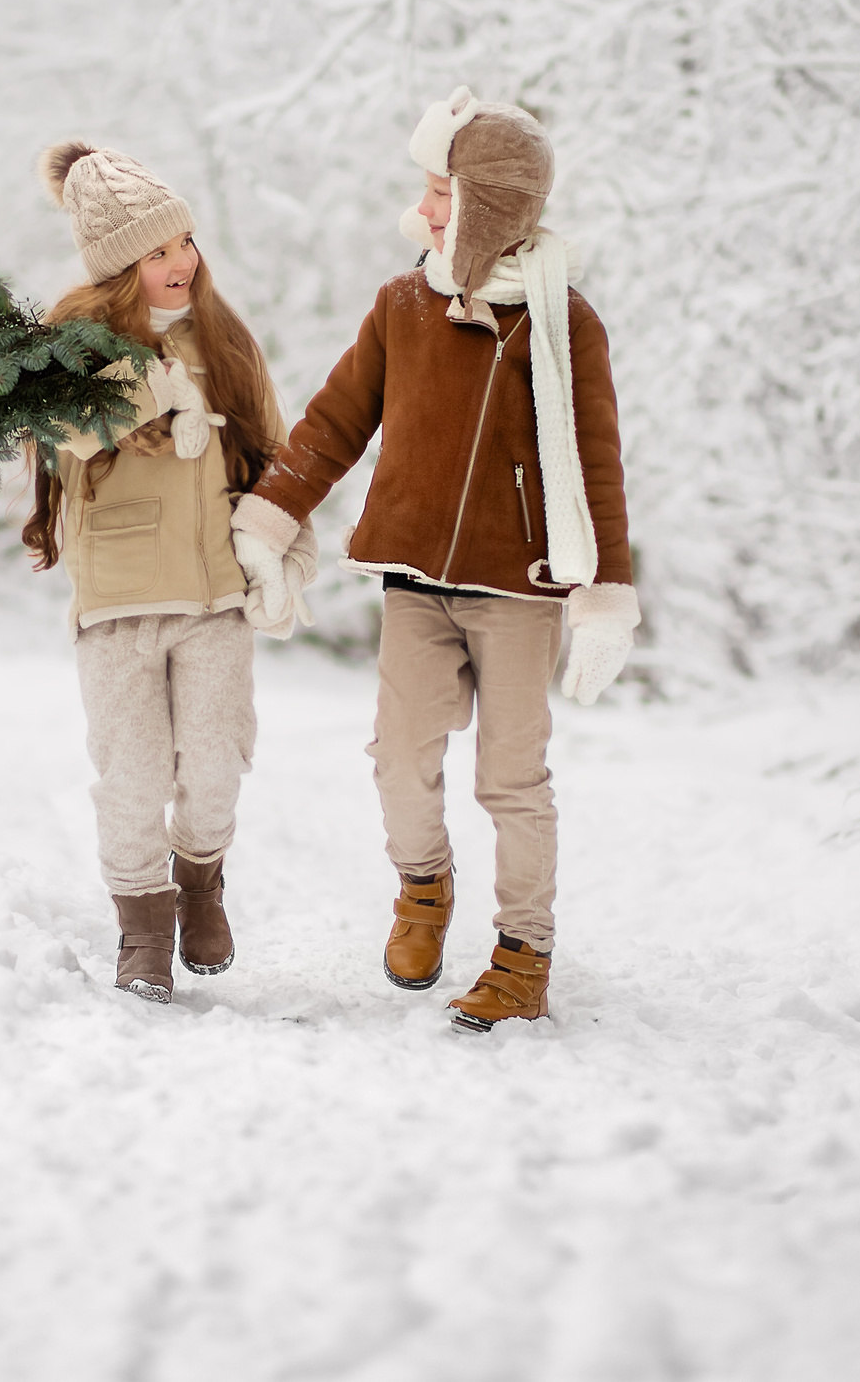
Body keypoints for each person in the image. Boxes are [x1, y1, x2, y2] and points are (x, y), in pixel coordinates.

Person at [229, 88, 638, 1034]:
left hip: (519, 590)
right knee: (399, 756)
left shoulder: (563, 324)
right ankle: (423, 889)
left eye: (441, 192)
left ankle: (523, 955)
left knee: (511, 779)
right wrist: (271, 515)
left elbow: (596, 462)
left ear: (489, 204)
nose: (423, 209)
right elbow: (335, 422)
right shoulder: (403, 305)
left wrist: (604, 593)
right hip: (415, 580)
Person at [23, 141, 309, 1005]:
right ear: (119, 270)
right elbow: (67, 428)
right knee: (132, 774)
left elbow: (278, 456)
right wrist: (156, 381)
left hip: (215, 594)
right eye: (155, 251)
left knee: (216, 761)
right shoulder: (73, 349)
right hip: (116, 601)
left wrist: (287, 556)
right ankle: (143, 926)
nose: (180, 261)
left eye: (183, 240)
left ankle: (200, 880)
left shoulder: (224, 339)